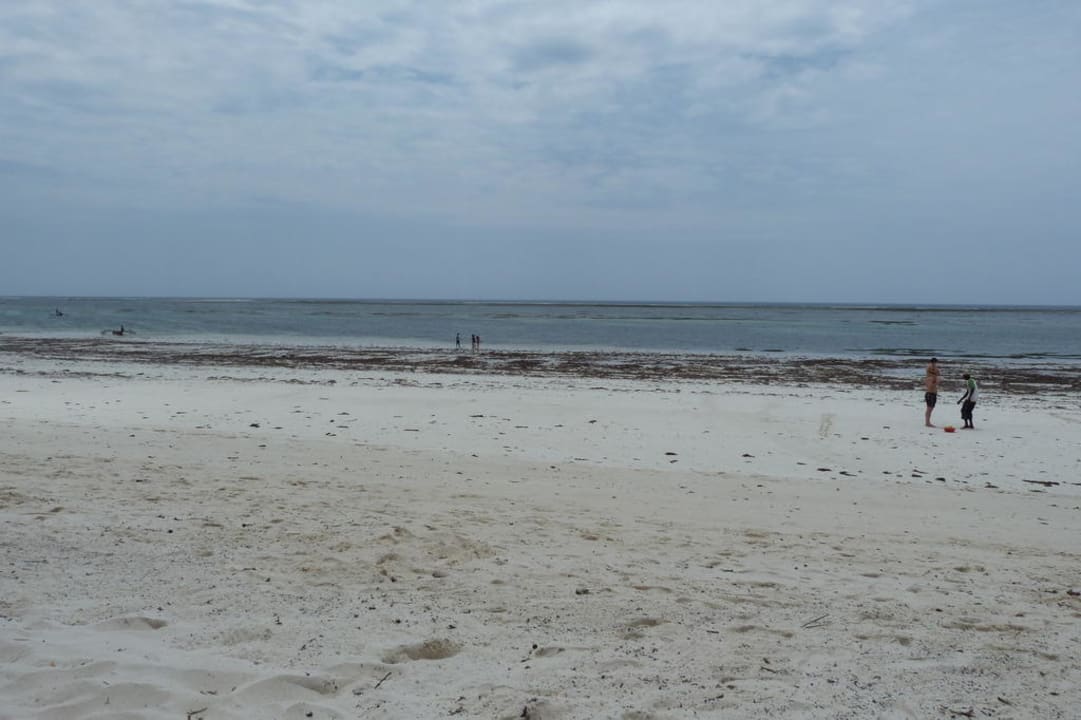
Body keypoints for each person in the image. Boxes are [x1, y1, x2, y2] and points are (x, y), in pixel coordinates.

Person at [924, 358, 940, 427]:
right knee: (929, 409)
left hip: (933, 394)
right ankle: (927, 423)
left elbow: (938, 373)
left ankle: (927, 422)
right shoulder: (929, 378)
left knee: (931, 408)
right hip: (930, 394)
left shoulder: (934, 377)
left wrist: (936, 380)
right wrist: (937, 383)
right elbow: (930, 387)